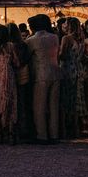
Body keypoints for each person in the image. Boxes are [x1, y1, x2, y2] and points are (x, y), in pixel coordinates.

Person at [26, 14, 61, 144]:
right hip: (56, 73)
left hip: (41, 75)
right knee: (53, 106)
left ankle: (42, 135)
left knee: (39, 106)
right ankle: (54, 134)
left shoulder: (31, 40)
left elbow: (27, 56)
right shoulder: (54, 37)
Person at [58, 17, 85, 139]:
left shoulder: (66, 38)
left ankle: (63, 130)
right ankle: (76, 129)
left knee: (65, 100)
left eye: (65, 23)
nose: (63, 25)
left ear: (69, 25)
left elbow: (62, 56)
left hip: (67, 70)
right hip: (78, 70)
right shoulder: (81, 38)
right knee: (75, 101)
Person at [9, 23, 31, 139]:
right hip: (23, 74)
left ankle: (13, 128)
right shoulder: (23, 45)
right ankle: (23, 128)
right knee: (22, 101)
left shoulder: (8, 46)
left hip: (11, 74)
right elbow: (26, 59)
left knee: (12, 102)